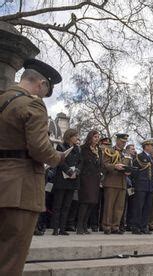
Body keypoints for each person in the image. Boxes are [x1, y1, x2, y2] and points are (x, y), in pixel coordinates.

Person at [0, 58, 65, 276]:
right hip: (20, 189)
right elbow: (39, 149)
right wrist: (58, 157)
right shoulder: (32, 104)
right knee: (11, 258)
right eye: (45, 91)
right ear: (41, 84)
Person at [51, 128, 81, 236]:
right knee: (58, 205)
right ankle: (55, 228)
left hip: (72, 180)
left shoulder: (77, 149)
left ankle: (63, 228)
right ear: (69, 137)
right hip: (62, 179)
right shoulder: (61, 146)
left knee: (67, 205)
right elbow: (60, 161)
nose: (77, 138)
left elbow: (80, 162)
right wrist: (68, 171)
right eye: (75, 136)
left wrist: (76, 171)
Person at [101, 133, 131, 234]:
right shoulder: (109, 151)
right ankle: (107, 226)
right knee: (109, 206)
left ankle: (115, 226)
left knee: (119, 207)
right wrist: (115, 166)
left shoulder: (126, 153)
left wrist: (129, 171)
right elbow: (105, 164)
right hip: (111, 181)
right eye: (122, 141)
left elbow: (128, 166)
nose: (123, 143)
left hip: (122, 183)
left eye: (125, 142)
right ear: (117, 140)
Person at [77, 130, 102, 235]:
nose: (97, 139)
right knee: (85, 202)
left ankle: (85, 225)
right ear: (90, 137)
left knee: (92, 203)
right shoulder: (83, 148)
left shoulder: (99, 150)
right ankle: (79, 226)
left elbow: (100, 164)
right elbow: (81, 163)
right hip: (85, 178)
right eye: (95, 137)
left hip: (95, 178)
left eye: (98, 137)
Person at [131, 139, 153, 234]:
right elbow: (135, 171)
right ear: (146, 146)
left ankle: (143, 226)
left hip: (149, 186)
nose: (152, 147)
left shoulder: (150, 158)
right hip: (141, 185)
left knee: (147, 207)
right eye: (151, 145)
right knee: (139, 207)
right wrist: (136, 183)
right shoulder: (139, 157)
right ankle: (136, 226)